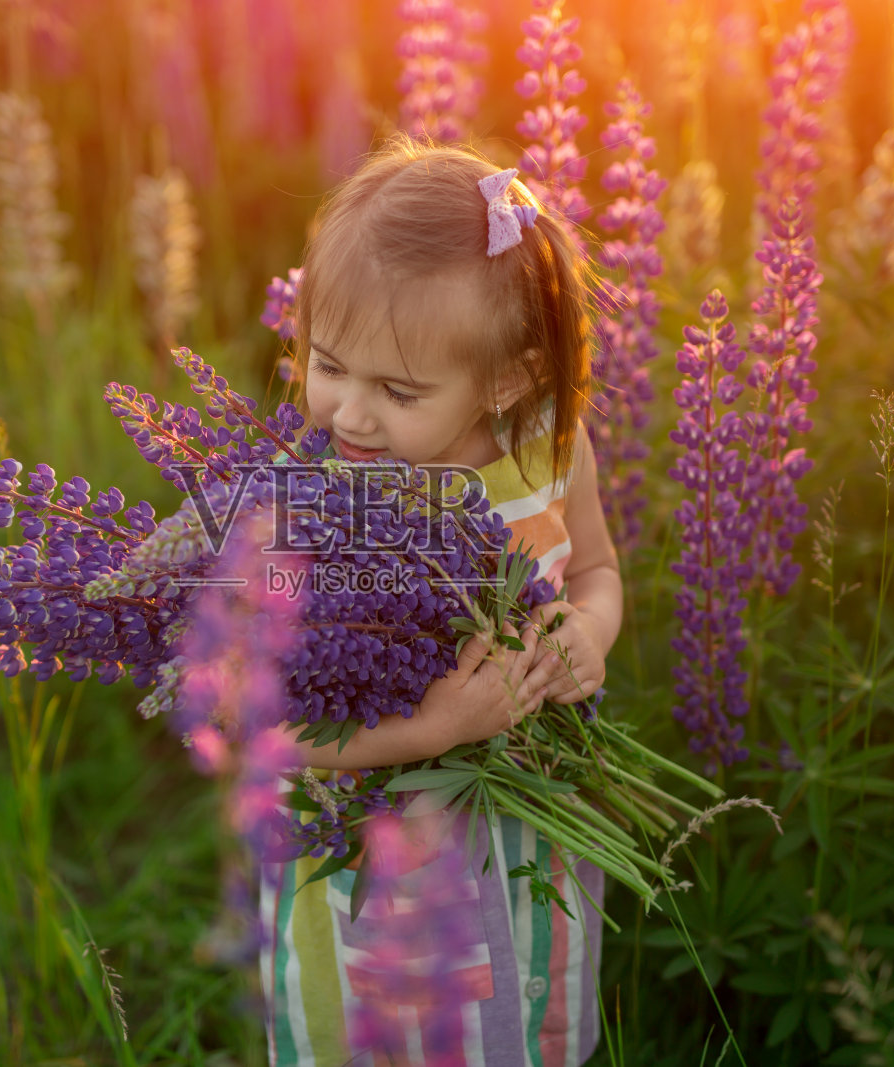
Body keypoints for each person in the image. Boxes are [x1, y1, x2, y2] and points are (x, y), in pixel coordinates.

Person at [261, 137, 624, 1065]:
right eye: (328, 364)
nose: (349, 413)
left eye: (399, 389)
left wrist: (587, 629)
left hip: (531, 820)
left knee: (530, 1012)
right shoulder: (305, 503)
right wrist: (432, 729)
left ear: (506, 379)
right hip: (375, 854)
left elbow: (595, 571)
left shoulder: (548, 453)